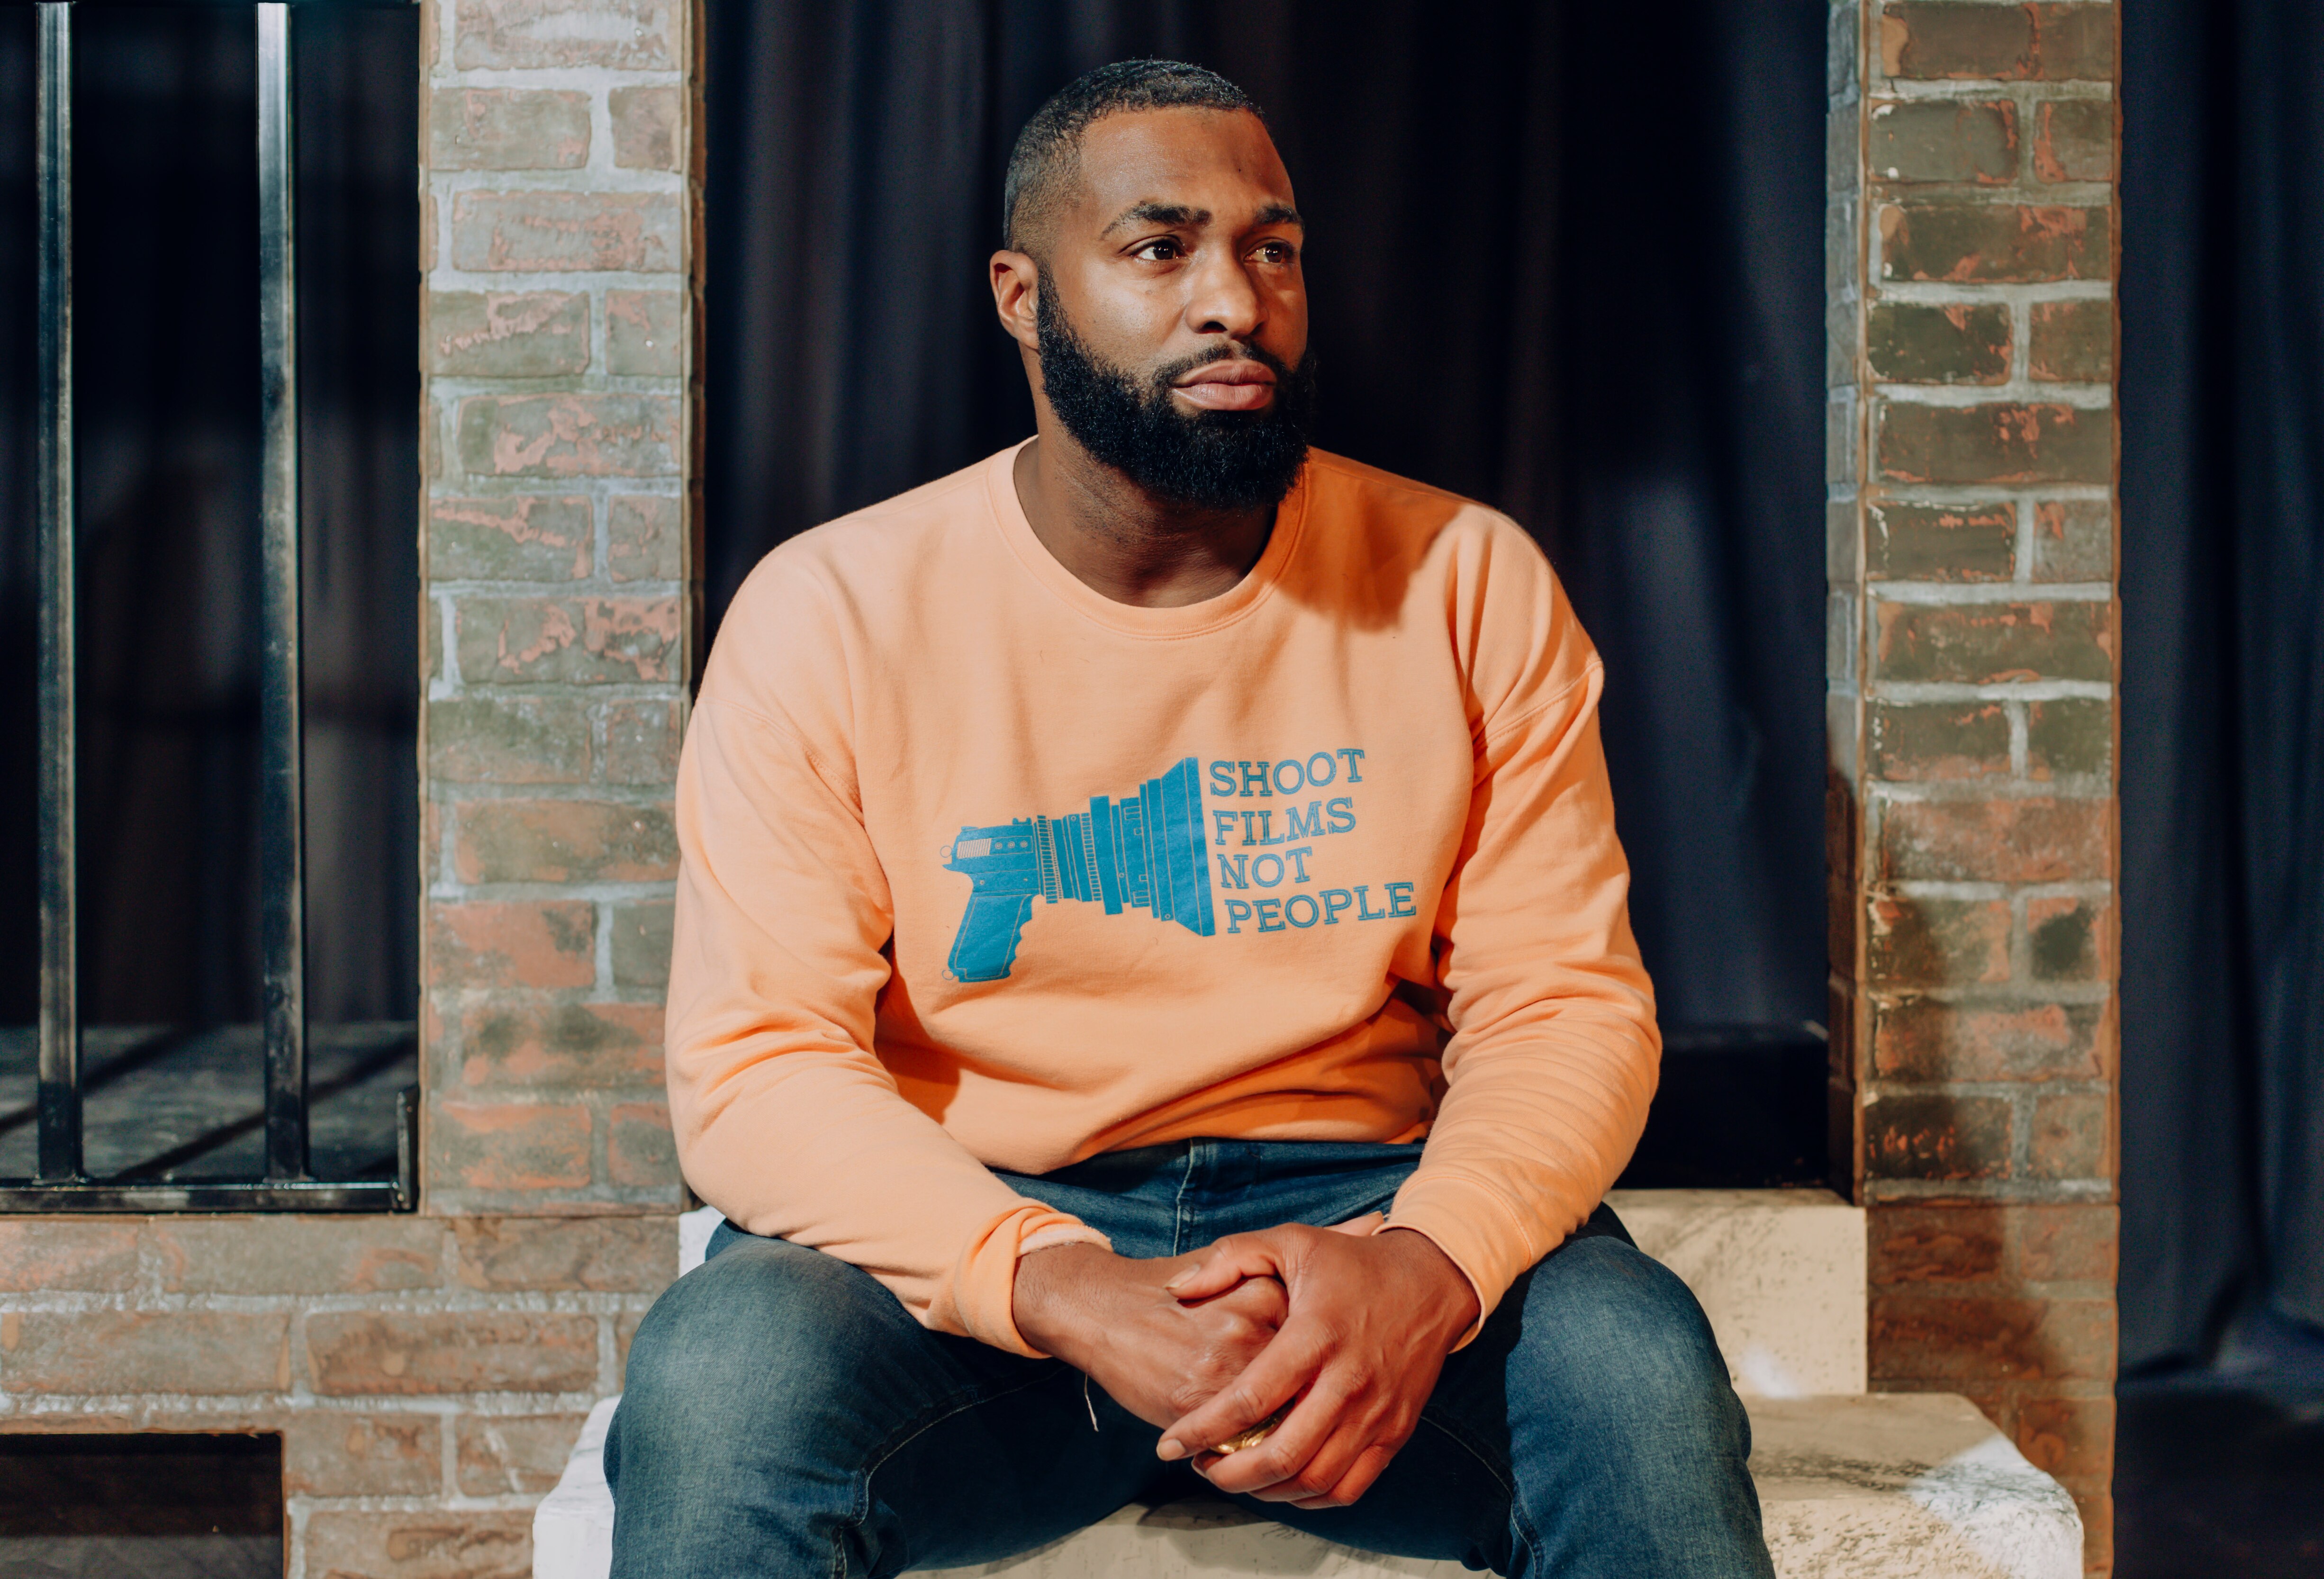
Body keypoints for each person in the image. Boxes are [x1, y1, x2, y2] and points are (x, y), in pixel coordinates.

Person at [607, 59, 1774, 1579]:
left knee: (1630, 1369)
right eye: (1161, 249)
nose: (1235, 300)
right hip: (990, 1256)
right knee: (727, 1374)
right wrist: (1066, 1287)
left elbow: (1565, 1007)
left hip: (1365, 1216)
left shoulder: (1469, 581)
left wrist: (1424, 1265)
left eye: (1271, 249)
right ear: (1024, 296)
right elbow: (755, 1069)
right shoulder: (833, 613)